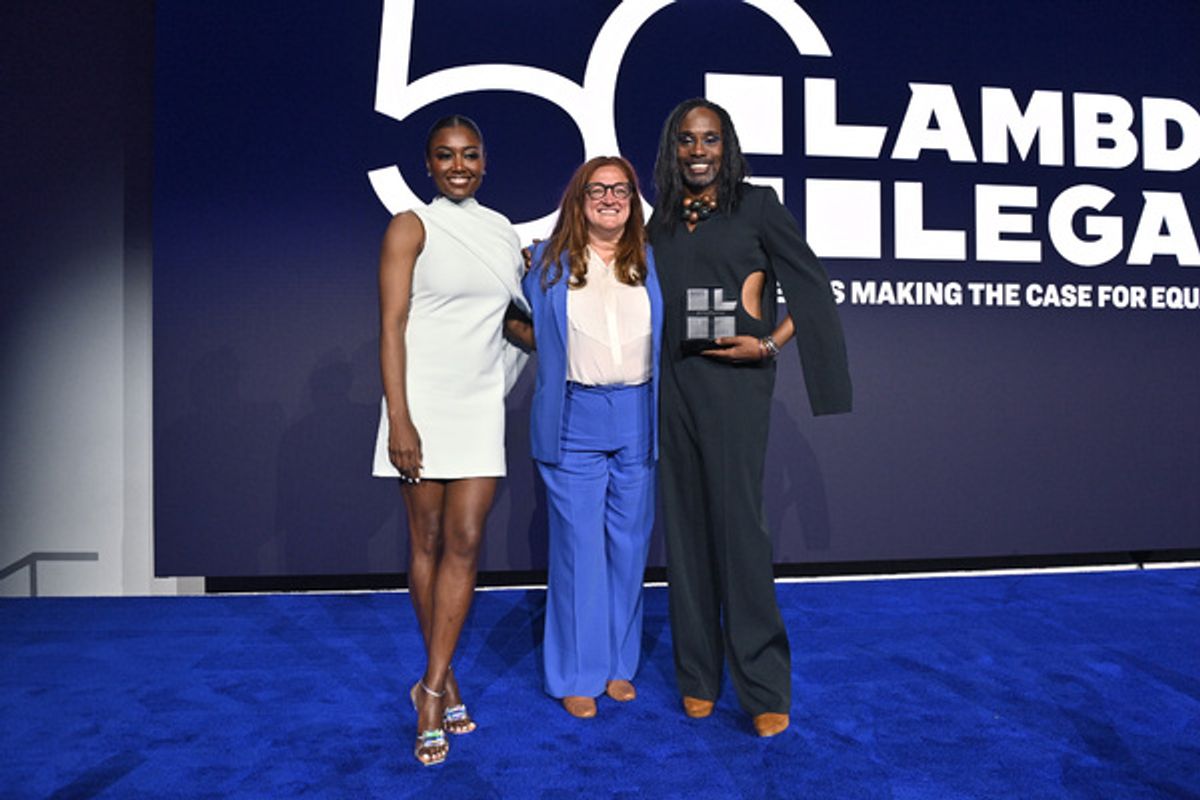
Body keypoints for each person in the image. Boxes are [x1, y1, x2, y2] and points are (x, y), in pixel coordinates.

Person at [647, 99, 852, 737]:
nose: (699, 151)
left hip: (735, 383)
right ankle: (698, 675)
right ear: (673, 148)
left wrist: (768, 344)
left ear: (726, 144)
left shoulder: (758, 203)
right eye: (687, 140)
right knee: (684, 529)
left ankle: (762, 684)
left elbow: (812, 286)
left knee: (738, 531)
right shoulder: (660, 218)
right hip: (673, 382)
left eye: (710, 139)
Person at [372, 114, 526, 765]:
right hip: (423, 406)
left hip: (478, 404)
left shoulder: (503, 234)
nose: (458, 165)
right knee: (429, 543)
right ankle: (444, 683)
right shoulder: (411, 225)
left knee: (466, 541)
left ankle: (430, 687)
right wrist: (399, 420)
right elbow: (391, 325)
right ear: (428, 165)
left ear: (484, 162)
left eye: (469, 154)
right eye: (445, 156)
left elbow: (512, 323)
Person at [515, 156, 663, 719]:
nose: (609, 199)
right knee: (578, 550)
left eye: (620, 190)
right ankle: (576, 672)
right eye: (596, 190)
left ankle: (618, 666)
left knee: (628, 548)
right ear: (577, 200)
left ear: (633, 199)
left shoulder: (650, 262)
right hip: (573, 417)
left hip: (637, 415)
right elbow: (503, 312)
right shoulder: (546, 264)